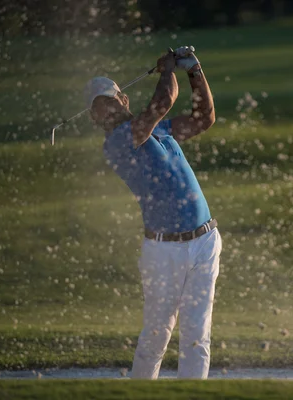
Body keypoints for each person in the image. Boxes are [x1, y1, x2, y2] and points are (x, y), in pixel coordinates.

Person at [83, 46, 222, 379]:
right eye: (99, 108)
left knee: (197, 336)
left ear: (124, 100)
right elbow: (164, 100)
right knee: (157, 334)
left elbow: (204, 119)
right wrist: (169, 70)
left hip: (205, 241)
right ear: (94, 119)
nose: (108, 110)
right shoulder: (118, 142)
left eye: (110, 100)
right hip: (163, 250)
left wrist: (195, 73)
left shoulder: (161, 130)